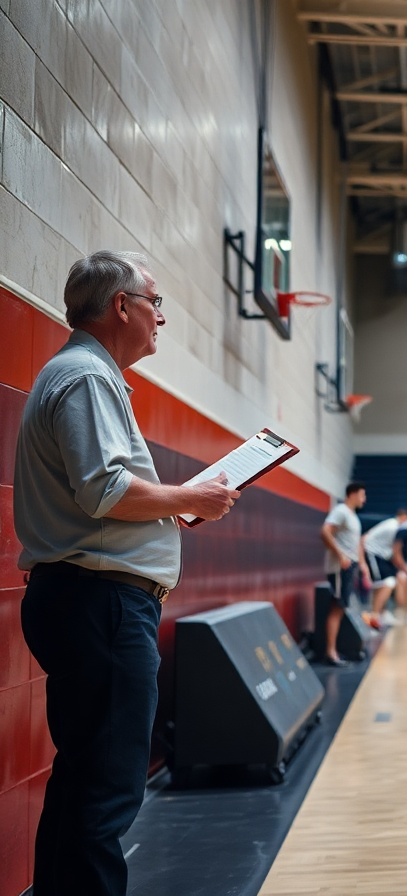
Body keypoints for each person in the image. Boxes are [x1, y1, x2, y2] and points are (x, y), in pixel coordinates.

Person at [15, 251, 240, 896]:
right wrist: (190, 500)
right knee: (109, 789)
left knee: (83, 777)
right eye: (156, 304)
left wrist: (175, 505)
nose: (161, 319)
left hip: (84, 601)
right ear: (121, 306)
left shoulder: (77, 373)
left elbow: (106, 496)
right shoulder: (87, 376)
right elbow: (105, 490)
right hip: (102, 605)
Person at [321, 482, 371, 665]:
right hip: (340, 568)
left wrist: (363, 565)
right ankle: (330, 653)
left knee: (341, 608)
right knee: (337, 607)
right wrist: (340, 555)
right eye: (362, 495)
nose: (364, 499)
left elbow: (356, 544)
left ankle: (335, 650)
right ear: (352, 494)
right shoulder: (341, 511)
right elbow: (325, 531)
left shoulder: (353, 516)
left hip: (351, 568)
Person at [362, 508, 407, 628]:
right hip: (372, 554)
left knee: (385, 583)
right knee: (386, 583)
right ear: (403, 517)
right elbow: (364, 539)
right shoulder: (392, 527)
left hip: (381, 557)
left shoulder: (393, 526)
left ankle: (381, 613)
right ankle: (374, 616)